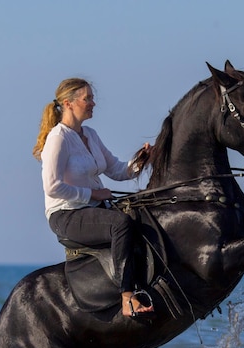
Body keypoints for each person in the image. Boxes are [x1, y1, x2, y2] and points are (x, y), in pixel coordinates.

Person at [32, 77, 154, 318]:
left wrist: (141, 161)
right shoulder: (58, 138)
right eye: (87, 98)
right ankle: (127, 298)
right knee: (120, 224)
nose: (93, 103)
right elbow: (52, 187)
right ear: (68, 103)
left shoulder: (90, 134)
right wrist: (92, 193)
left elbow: (118, 170)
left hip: (94, 208)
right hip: (66, 215)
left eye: (92, 98)